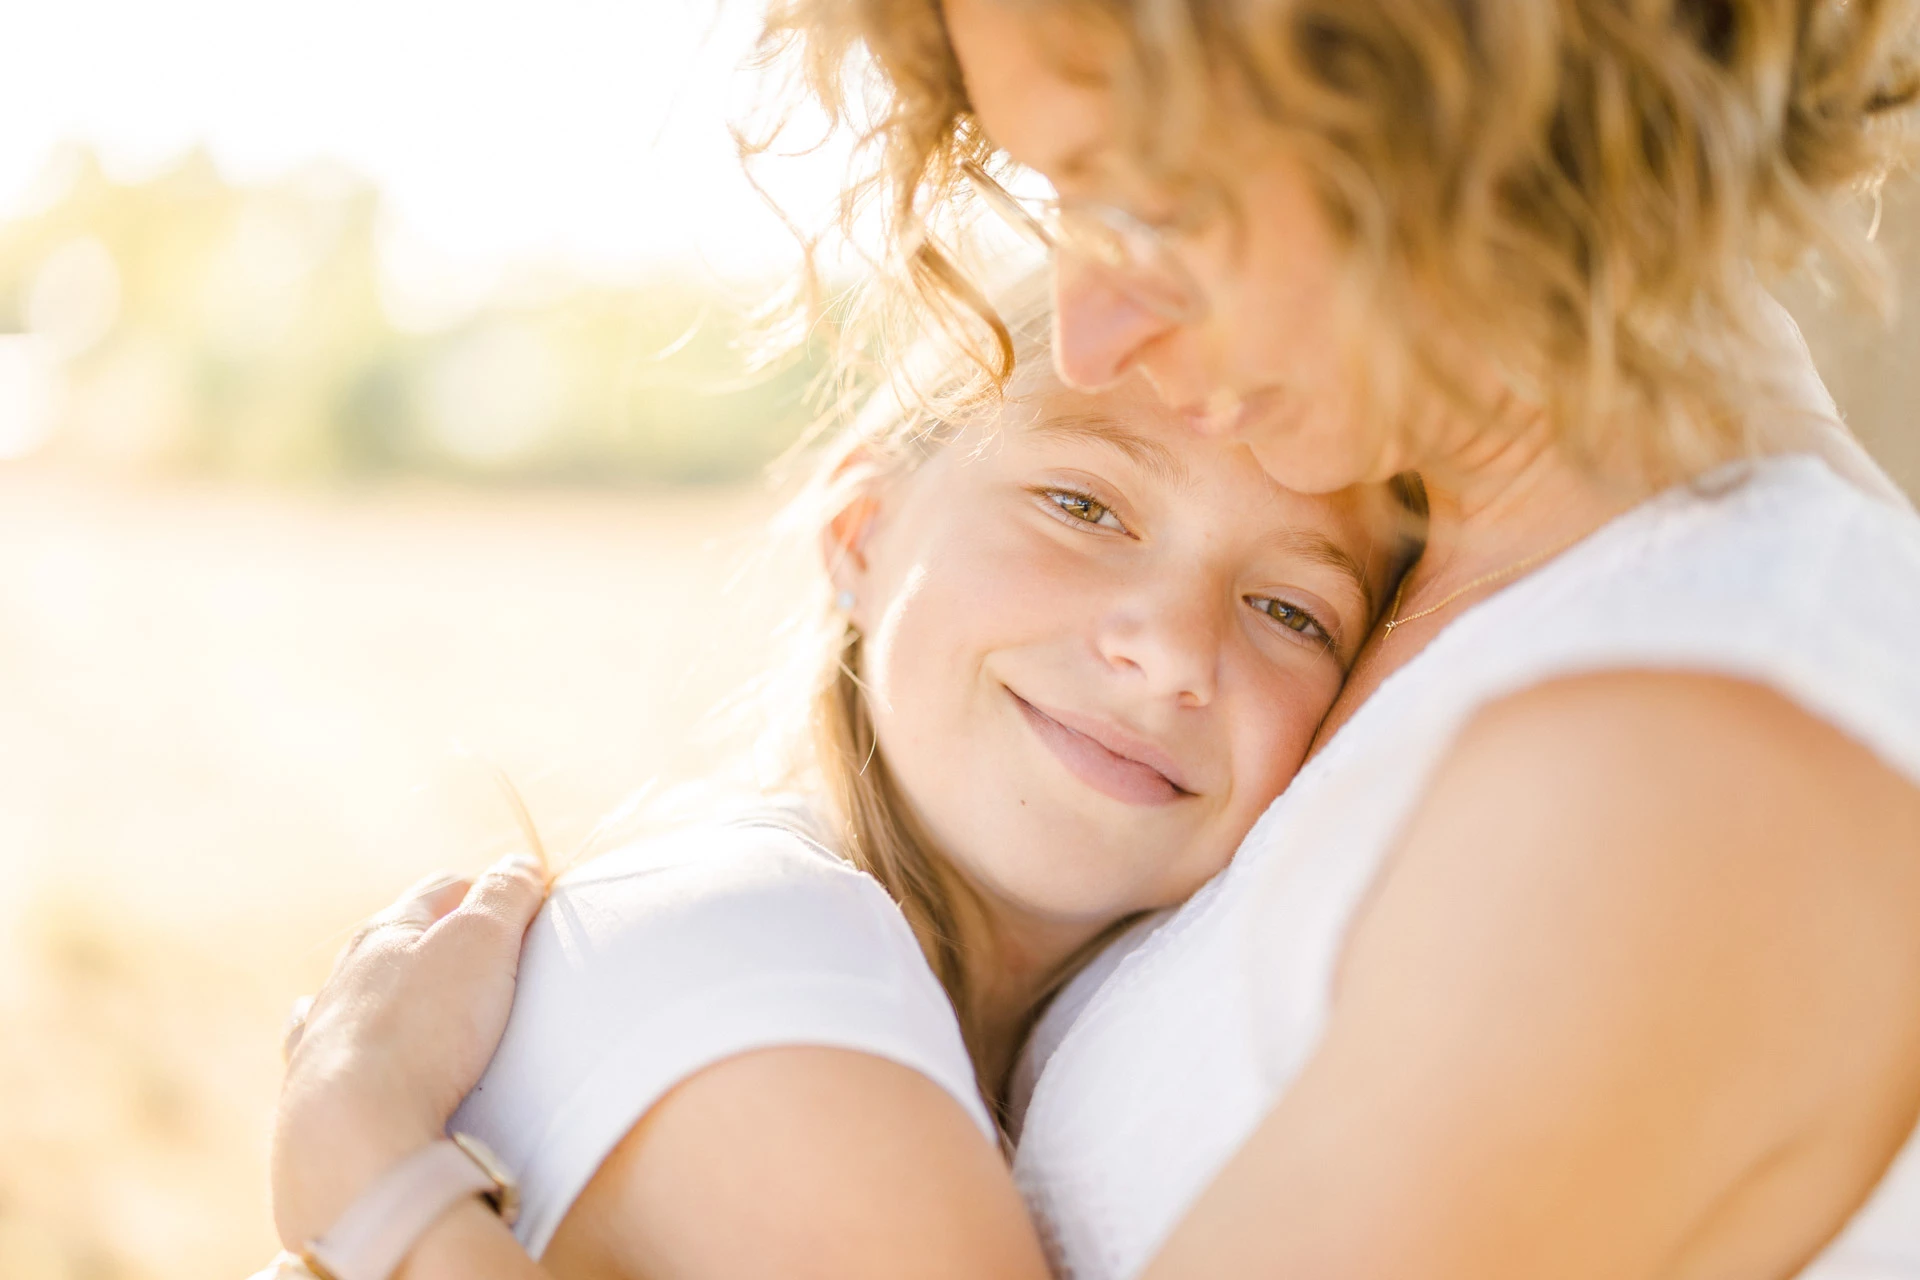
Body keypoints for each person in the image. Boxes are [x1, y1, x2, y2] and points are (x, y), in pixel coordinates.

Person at [269, 1, 1920, 1278]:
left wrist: (384, 1201)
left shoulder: (1692, 767)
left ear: (1432, 91)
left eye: (1148, 200)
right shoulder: (1442, 549)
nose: (1090, 322)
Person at [261, 304, 1407, 1279]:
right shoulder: (764, 953)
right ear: (862, 532)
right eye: (1083, 504)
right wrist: (374, 1187)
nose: (1172, 647)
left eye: (1293, 611)